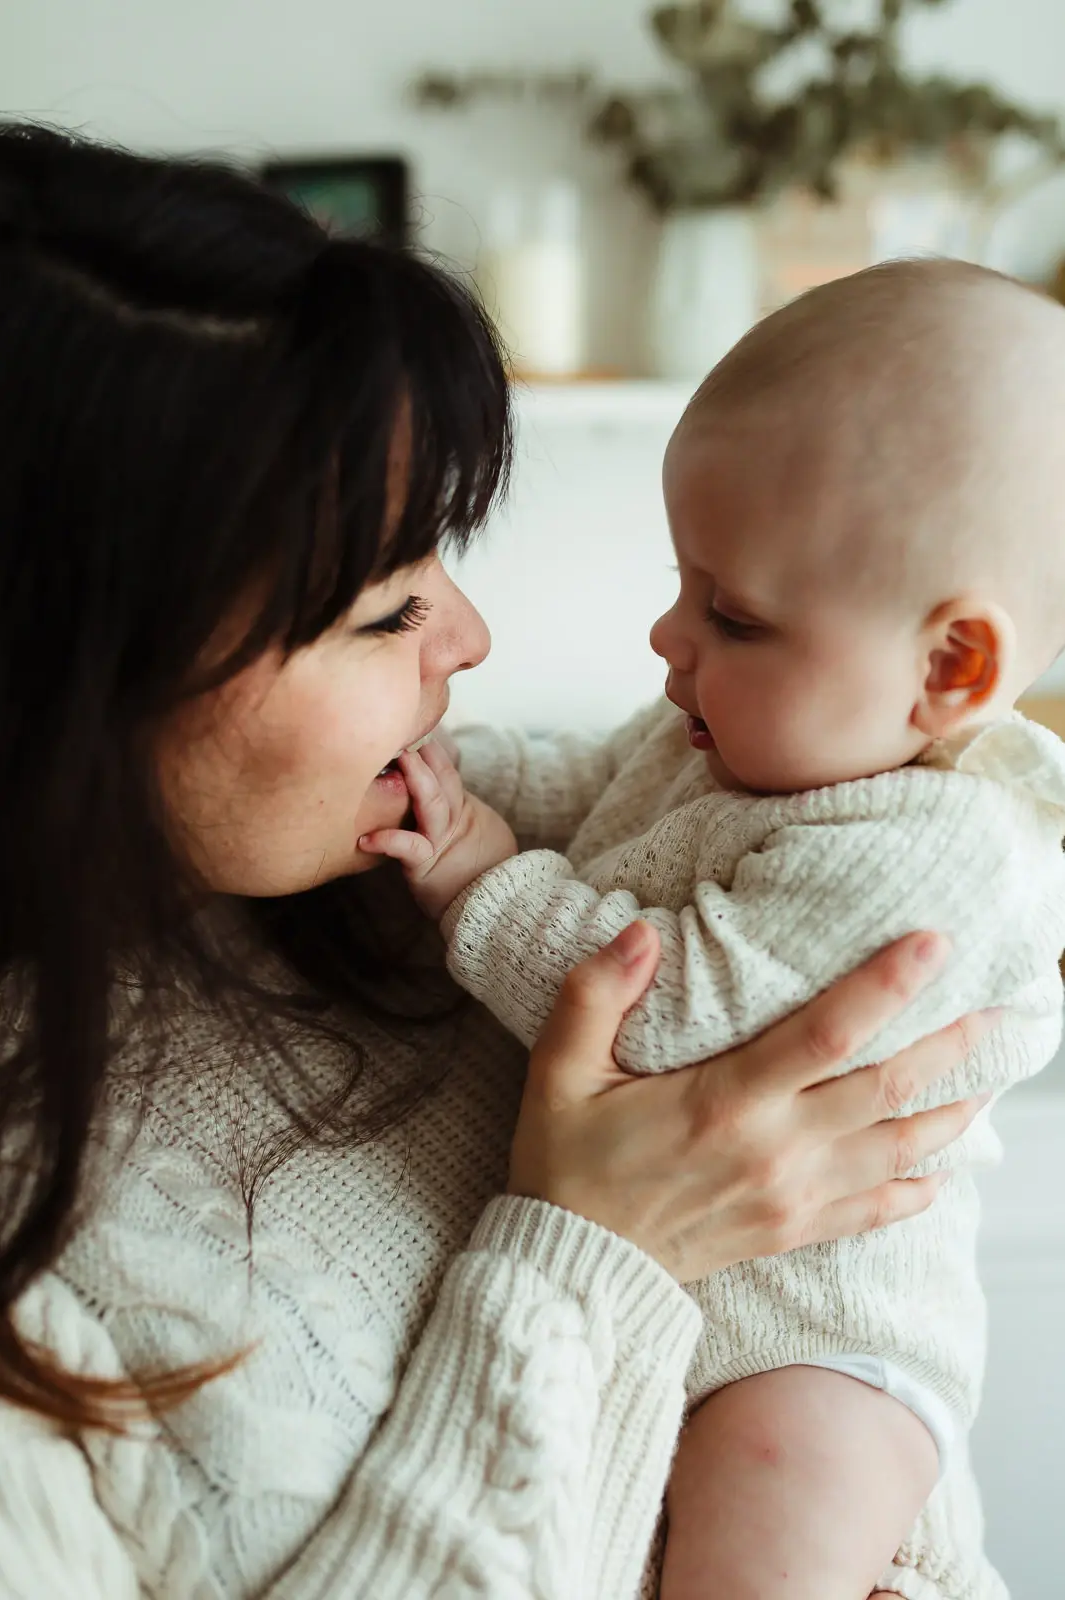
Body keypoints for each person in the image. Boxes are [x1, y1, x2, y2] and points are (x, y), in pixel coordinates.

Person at [0, 124, 989, 1600]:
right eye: (384, 610)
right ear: (69, 687)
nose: (466, 640)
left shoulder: (400, 887)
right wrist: (597, 1248)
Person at [362, 260, 1065, 1600]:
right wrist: (427, 760)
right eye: (682, 582)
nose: (667, 635)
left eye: (730, 614)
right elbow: (578, 788)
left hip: (818, 1357)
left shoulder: (936, 849)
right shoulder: (724, 743)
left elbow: (674, 1017)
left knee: (761, 1517)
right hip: (669, 1312)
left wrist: (473, 880)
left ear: (949, 670)